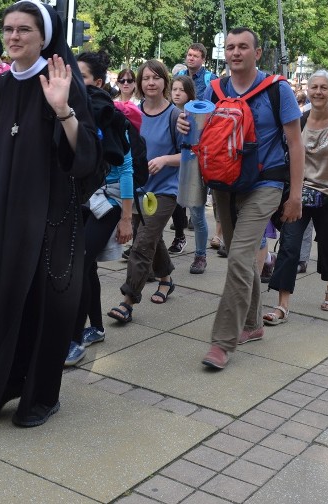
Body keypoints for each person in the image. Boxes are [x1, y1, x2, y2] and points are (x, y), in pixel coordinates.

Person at [0, 0, 101, 427]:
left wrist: (62, 109)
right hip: (4, 215)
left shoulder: (61, 81)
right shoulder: (2, 85)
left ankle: (40, 396)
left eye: (24, 30)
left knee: (40, 311)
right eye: (8, 28)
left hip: (49, 219)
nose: (13, 36)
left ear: (45, 37)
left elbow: (86, 157)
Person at [178, 27, 303, 370]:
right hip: (224, 183)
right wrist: (186, 126)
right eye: (230, 46)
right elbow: (198, 129)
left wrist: (295, 195)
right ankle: (253, 324)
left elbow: (295, 144)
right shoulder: (214, 88)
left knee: (237, 258)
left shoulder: (278, 90)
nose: (235, 52)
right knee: (241, 257)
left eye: (243, 47)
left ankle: (222, 342)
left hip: (266, 182)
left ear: (257, 52)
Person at [264, 70, 328, 321]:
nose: (318, 92)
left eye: (324, 88)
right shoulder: (299, 120)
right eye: (314, 87)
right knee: (289, 245)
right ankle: (282, 305)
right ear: (307, 91)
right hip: (300, 193)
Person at [65, 50, 135, 366]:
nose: (74, 82)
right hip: (81, 200)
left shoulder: (109, 114)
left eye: (81, 77)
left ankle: (73, 339)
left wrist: (126, 218)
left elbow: (128, 168)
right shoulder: (68, 112)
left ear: (96, 82)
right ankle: (95, 327)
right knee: (86, 264)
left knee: (79, 262)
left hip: (108, 202)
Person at [107, 59, 182, 324]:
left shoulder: (175, 116)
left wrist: (164, 160)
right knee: (151, 238)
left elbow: (190, 155)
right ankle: (166, 279)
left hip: (165, 191)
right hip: (138, 190)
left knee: (141, 244)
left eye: (156, 78)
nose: (150, 83)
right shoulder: (132, 112)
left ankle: (127, 301)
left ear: (165, 82)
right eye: (146, 78)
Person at [171, 74, 210, 274]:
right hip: (170, 171)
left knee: (197, 214)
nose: (177, 93)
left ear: (190, 93)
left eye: (181, 90)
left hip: (192, 169)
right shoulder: (168, 111)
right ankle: (177, 239)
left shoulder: (197, 114)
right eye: (174, 89)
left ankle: (200, 255)